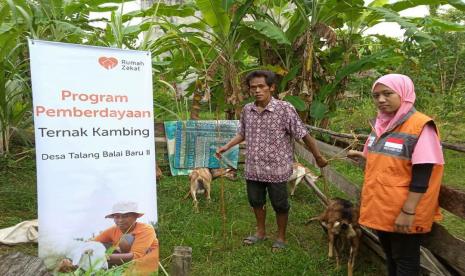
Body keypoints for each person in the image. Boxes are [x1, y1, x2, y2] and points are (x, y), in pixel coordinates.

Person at [216, 70, 328, 251]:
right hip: (253, 167)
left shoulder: (285, 109)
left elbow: (303, 135)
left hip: (277, 168)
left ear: (272, 87)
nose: (257, 90)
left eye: (262, 86)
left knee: (280, 204)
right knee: (255, 201)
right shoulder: (247, 110)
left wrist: (318, 156)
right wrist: (226, 146)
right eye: (253, 87)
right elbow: (242, 133)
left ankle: (281, 236)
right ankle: (260, 232)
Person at [348, 74, 444, 276]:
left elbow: (422, 174)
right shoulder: (381, 125)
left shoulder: (421, 126)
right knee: (390, 256)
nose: (381, 100)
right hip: (381, 207)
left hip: (403, 210)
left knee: (405, 260)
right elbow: (384, 158)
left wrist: (408, 212)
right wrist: (361, 156)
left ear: (403, 94)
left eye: (387, 93)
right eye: (376, 96)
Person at [94, 201, 159, 273]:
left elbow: (136, 256)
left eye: (125, 216)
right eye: (117, 216)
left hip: (147, 261)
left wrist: (103, 257)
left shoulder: (146, 229)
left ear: (135, 217)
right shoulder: (112, 230)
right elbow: (92, 243)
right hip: (123, 260)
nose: (120, 220)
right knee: (98, 246)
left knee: (126, 239)